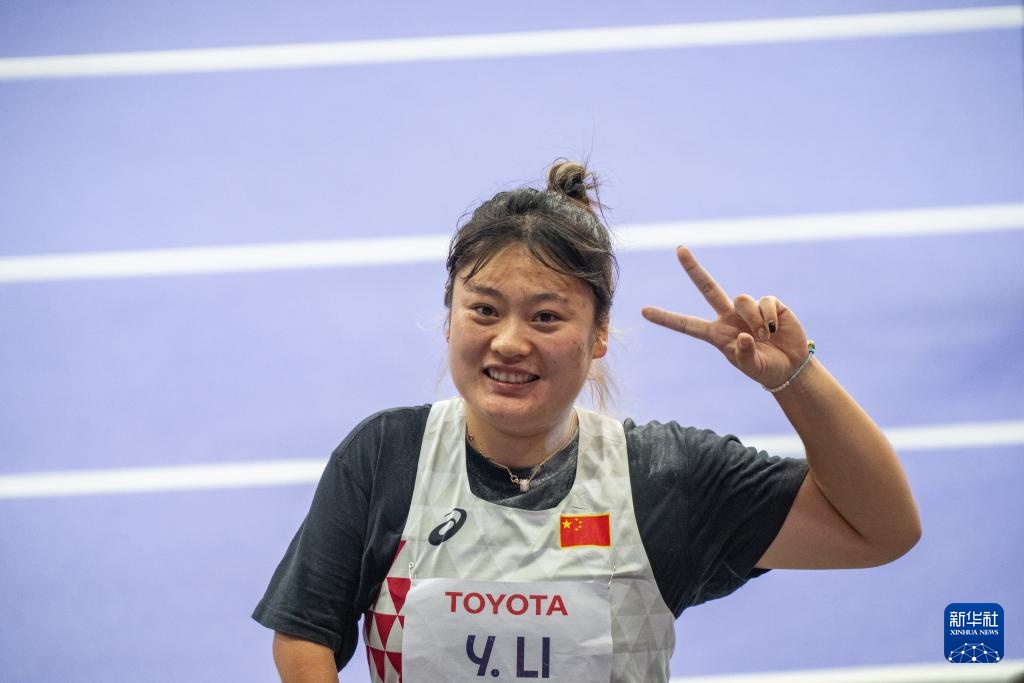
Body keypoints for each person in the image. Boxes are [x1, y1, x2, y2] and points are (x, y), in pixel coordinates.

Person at [252, 161, 921, 682]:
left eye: (546, 317)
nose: (509, 342)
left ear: (599, 334)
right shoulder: (386, 457)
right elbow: (306, 633)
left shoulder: (663, 479)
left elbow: (881, 529)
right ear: (449, 316)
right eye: (483, 309)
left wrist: (794, 377)